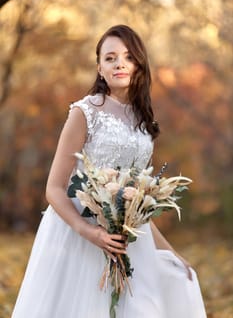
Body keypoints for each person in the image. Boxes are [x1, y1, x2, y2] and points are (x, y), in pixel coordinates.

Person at [12, 24, 207, 318]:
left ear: (139, 64)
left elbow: (136, 208)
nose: (120, 64)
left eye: (128, 57)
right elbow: (53, 188)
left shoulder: (143, 121)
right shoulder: (85, 112)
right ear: (99, 67)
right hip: (79, 236)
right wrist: (90, 232)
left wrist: (173, 255)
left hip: (129, 241)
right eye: (111, 57)